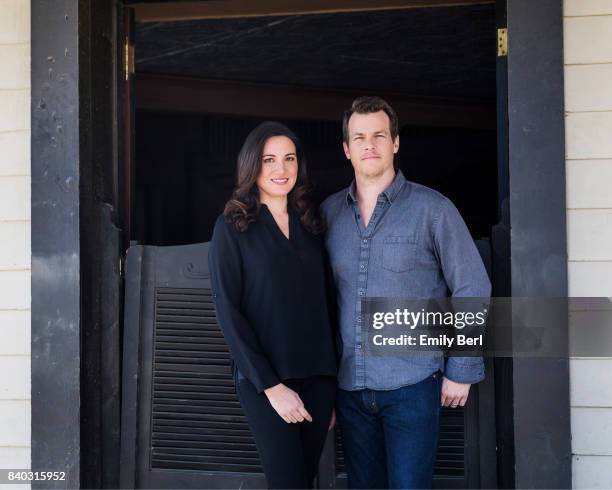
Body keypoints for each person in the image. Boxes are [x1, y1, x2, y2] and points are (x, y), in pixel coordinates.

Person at [321, 96, 491, 489]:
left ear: (395, 142)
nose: (369, 145)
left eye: (379, 135)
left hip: (412, 384)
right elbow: (319, 303)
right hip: (349, 387)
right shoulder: (329, 215)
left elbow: (472, 285)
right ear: (346, 149)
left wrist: (461, 369)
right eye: (359, 137)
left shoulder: (433, 210)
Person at [208, 121, 338, 489]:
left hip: (318, 379)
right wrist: (271, 387)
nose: (281, 170)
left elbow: (327, 305)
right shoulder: (232, 228)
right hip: (266, 382)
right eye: (269, 160)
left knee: (304, 480)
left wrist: (332, 386)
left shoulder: (312, 223)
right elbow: (228, 314)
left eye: (289, 159)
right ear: (253, 166)